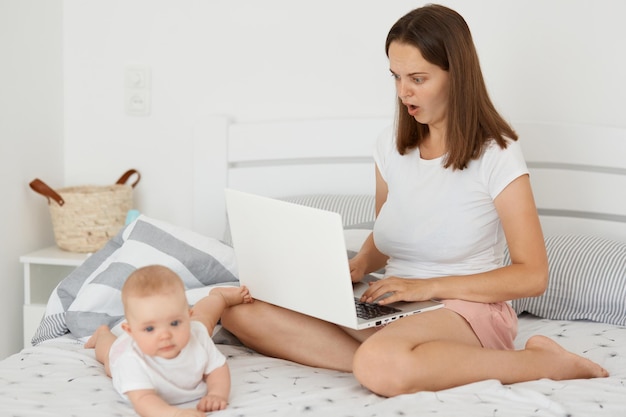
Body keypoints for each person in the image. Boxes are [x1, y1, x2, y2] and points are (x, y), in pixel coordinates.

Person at [196, 4, 610, 397]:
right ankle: (399, 361)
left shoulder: (496, 154)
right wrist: (357, 266)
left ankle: (540, 362)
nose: (403, 92)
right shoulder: (390, 148)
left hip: (467, 309)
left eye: (417, 78)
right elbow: (390, 234)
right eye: (395, 76)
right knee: (240, 310)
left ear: (457, 75)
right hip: (395, 304)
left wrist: (424, 286)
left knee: (377, 363)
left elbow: (532, 276)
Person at [85, 265, 252, 416]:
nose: (165, 335)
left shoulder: (195, 336)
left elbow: (217, 369)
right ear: (131, 331)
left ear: (187, 316)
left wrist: (216, 394)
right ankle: (102, 334)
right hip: (120, 353)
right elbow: (144, 399)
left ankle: (220, 297)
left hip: (190, 328)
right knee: (108, 356)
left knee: (204, 321)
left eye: (174, 323)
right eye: (150, 328)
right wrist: (175, 414)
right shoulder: (130, 359)